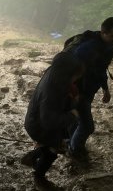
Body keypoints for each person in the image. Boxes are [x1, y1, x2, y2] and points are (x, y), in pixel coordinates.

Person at [23, 52, 83, 188]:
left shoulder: (53, 74)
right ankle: (39, 176)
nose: (76, 80)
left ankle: (32, 156)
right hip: (40, 127)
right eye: (75, 77)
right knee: (52, 151)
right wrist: (72, 115)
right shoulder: (52, 92)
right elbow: (49, 121)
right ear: (66, 74)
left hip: (35, 120)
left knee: (52, 145)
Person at [67, 17, 113, 159]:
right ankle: (74, 150)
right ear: (103, 32)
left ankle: (70, 142)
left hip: (88, 90)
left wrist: (105, 88)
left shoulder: (107, 47)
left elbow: (101, 69)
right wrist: (73, 92)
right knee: (87, 126)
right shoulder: (87, 48)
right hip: (78, 91)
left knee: (76, 120)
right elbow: (72, 71)